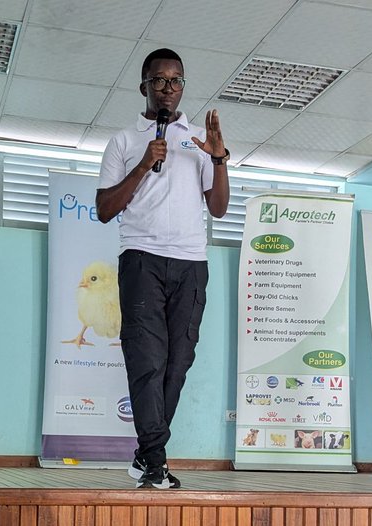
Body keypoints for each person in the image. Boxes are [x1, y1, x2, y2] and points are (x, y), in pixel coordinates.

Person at [96, 48, 230, 489]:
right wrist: (142, 165)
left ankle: (144, 453)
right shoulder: (123, 141)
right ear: (145, 87)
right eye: (160, 80)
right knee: (147, 362)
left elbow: (220, 208)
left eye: (176, 81)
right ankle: (155, 463)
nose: (169, 88)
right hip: (141, 260)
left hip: (192, 263)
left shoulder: (198, 140)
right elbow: (103, 209)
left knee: (178, 364)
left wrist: (218, 159)